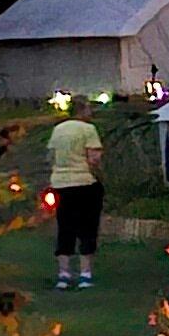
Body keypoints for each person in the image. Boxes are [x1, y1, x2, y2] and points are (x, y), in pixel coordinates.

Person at [44, 103, 106, 290]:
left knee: (65, 226)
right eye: (89, 109)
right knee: (87, 226)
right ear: (82, 111)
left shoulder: (58, 130)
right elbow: (94, 158)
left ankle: (64, 274)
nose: (91, 113)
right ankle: (85, 274)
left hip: (60, 183)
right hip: (84, 182)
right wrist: (100, 173)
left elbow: (50, 157)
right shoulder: (88, 129)